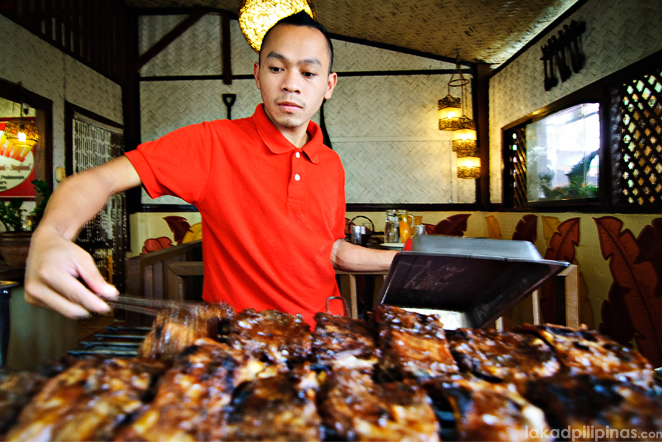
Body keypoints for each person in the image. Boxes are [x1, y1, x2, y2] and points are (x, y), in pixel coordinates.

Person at [24, 12, 396, 329]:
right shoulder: (212, 143)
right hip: (240, 339)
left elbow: (330, 251)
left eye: (309, 73)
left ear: (328, 85)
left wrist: (409, 260)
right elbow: (97, 179)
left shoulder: (330, 163)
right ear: (258, 74)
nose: (291, 84)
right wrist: (51, 235)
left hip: (322, 334)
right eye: (277, 68)